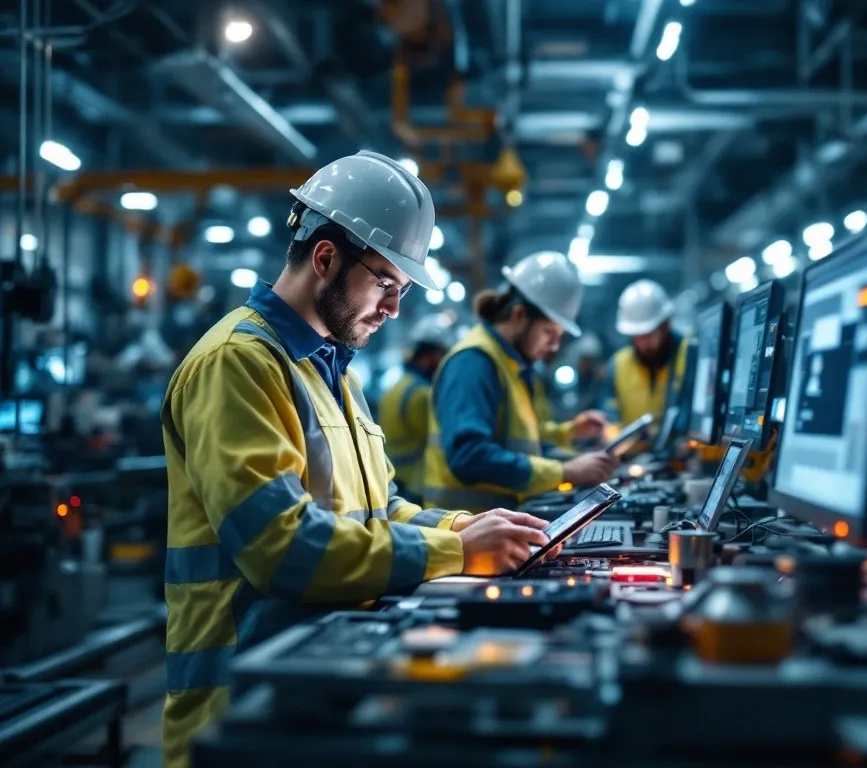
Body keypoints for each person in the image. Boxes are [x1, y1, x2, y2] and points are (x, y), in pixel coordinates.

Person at [159, 152, 554, 768]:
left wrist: (470, 528)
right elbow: (278, 546)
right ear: (325, 258)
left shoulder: (332, 371)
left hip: (313, 685)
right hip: (240, 711)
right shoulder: (237, 365)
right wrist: (457, 552)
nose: (395, 309)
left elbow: (381, 509)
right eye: (387, 285)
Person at [424, 252, 618, 513]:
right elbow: (469, 457)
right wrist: (565, 471)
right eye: (550, 332)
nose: (554, 346)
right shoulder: (474, 362)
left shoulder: (509, 363)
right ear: (518, 314)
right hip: (466, 532)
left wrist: (570, 432)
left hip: (496, 527)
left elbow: (516, 441)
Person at [377, 313, 455, 504]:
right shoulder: (422, 394)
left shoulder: (397, 386)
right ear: (434, 354)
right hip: (415, 486)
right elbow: (438, 443)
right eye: (444, 355)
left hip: (393, 480)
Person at [604, 280, 690, 435]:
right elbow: (608, 411)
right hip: (632, 454)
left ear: (666, 326)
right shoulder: (617, 365)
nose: (642, 344)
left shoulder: (691, 355)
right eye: (637, 336)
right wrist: (613, 434)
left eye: (648, 335)